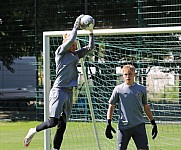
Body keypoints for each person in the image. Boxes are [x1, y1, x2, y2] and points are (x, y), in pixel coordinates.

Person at [23, 14, 95, 150]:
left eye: (75, 45)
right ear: (66, 42)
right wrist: (76, 24)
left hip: (69, 92)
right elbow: (71, 38)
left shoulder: (75, 55)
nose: (74, 46)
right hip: (59, 90)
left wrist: (91, 32)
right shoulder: (60, 52)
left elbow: (90, 47)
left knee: (62, 125)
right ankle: (33, 130)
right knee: (52, 122)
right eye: (72, 44)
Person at [105, 64, 158, 150]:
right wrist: (108, 123)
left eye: (130, 74)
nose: (128, 76)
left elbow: (146, 106)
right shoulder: (118, 89)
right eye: (125, 74)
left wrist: (153, 123)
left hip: (139, 125)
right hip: (123, 127)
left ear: (134, 75)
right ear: (123, 75)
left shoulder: (141, 89)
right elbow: (111, 105)